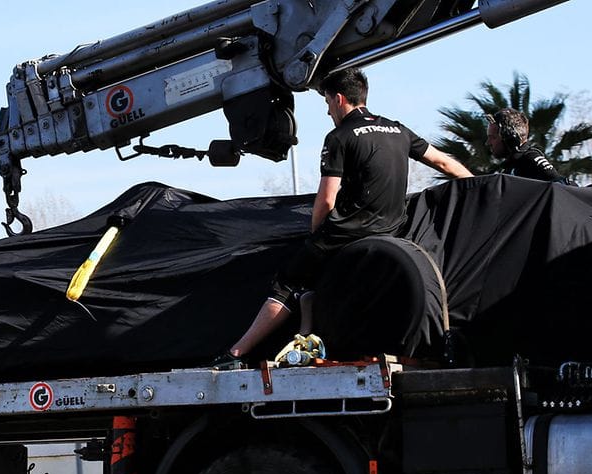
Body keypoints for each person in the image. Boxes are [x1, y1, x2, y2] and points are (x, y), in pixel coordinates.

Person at [215, 67, 473, 367]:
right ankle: (307, 334)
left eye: (326, 104)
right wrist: (480, 182)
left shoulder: (340, 137)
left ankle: (236, 353)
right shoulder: (397, 130)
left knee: (287, 281)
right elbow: (443, 162)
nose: (327, 112)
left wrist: (316, 236)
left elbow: (326, 198)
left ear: (339, 99)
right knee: (311, 283)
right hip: (392, 230)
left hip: (347, 232)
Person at [486, 108, 565, 182]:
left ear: (510, 139)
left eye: (493, 137)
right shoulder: (510, 168)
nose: (488, 143)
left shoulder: (530, 159)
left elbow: (561, 185)